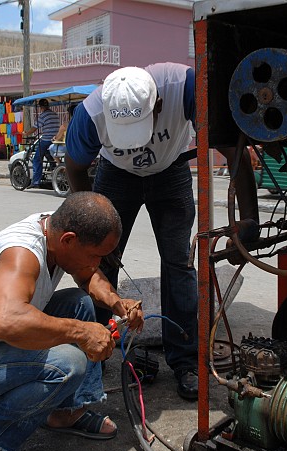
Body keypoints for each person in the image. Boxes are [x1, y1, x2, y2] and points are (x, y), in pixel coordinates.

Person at [64, 63, 258, 400]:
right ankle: (95, 349)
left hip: (171, 171)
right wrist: (87, 226)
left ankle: (185, 361)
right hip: (116, 175)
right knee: (101, 262)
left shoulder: (185, 87)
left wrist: (250, 220)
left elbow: (232, 150)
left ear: (157, 104)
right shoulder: (90, 113)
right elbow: (75, 167)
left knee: (179, 264)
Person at [0, 191, 145, 451]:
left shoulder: (57, 230)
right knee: (68, 363)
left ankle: (66, 412)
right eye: (95, 255)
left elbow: (89, 276)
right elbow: (6, 322)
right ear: (68, 240)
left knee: (79, 303)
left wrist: (116, 302)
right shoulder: (21, 253)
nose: (97, 264)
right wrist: (81, 332)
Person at [23, 99, 61, 188]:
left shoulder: (43, 116)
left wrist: (27, 133)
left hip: (46, 140)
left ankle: (36, 182)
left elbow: (35, 128)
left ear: (41, 107)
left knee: (37, 159)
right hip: (54, 140)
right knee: (49, 157)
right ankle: (53, 172)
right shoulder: (55, 114)